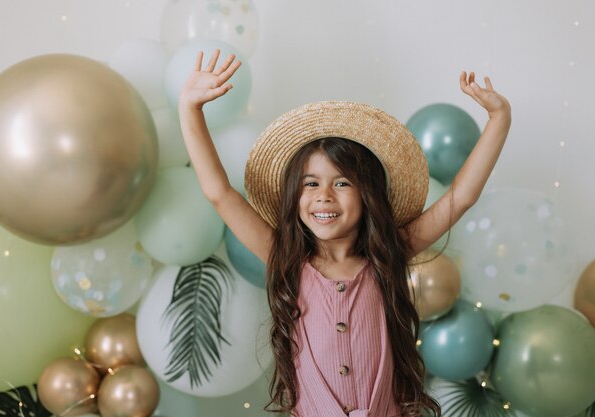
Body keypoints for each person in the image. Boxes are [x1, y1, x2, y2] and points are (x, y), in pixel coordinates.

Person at [178, 49, 511, 417]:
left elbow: (460, 197)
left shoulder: (389, 254)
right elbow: (219, 193)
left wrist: (499, 118)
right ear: (295, 195)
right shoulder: (286, 257)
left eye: (341, 182)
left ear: (367, 194)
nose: (324, 195)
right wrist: (190, 109)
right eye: (310, 183)